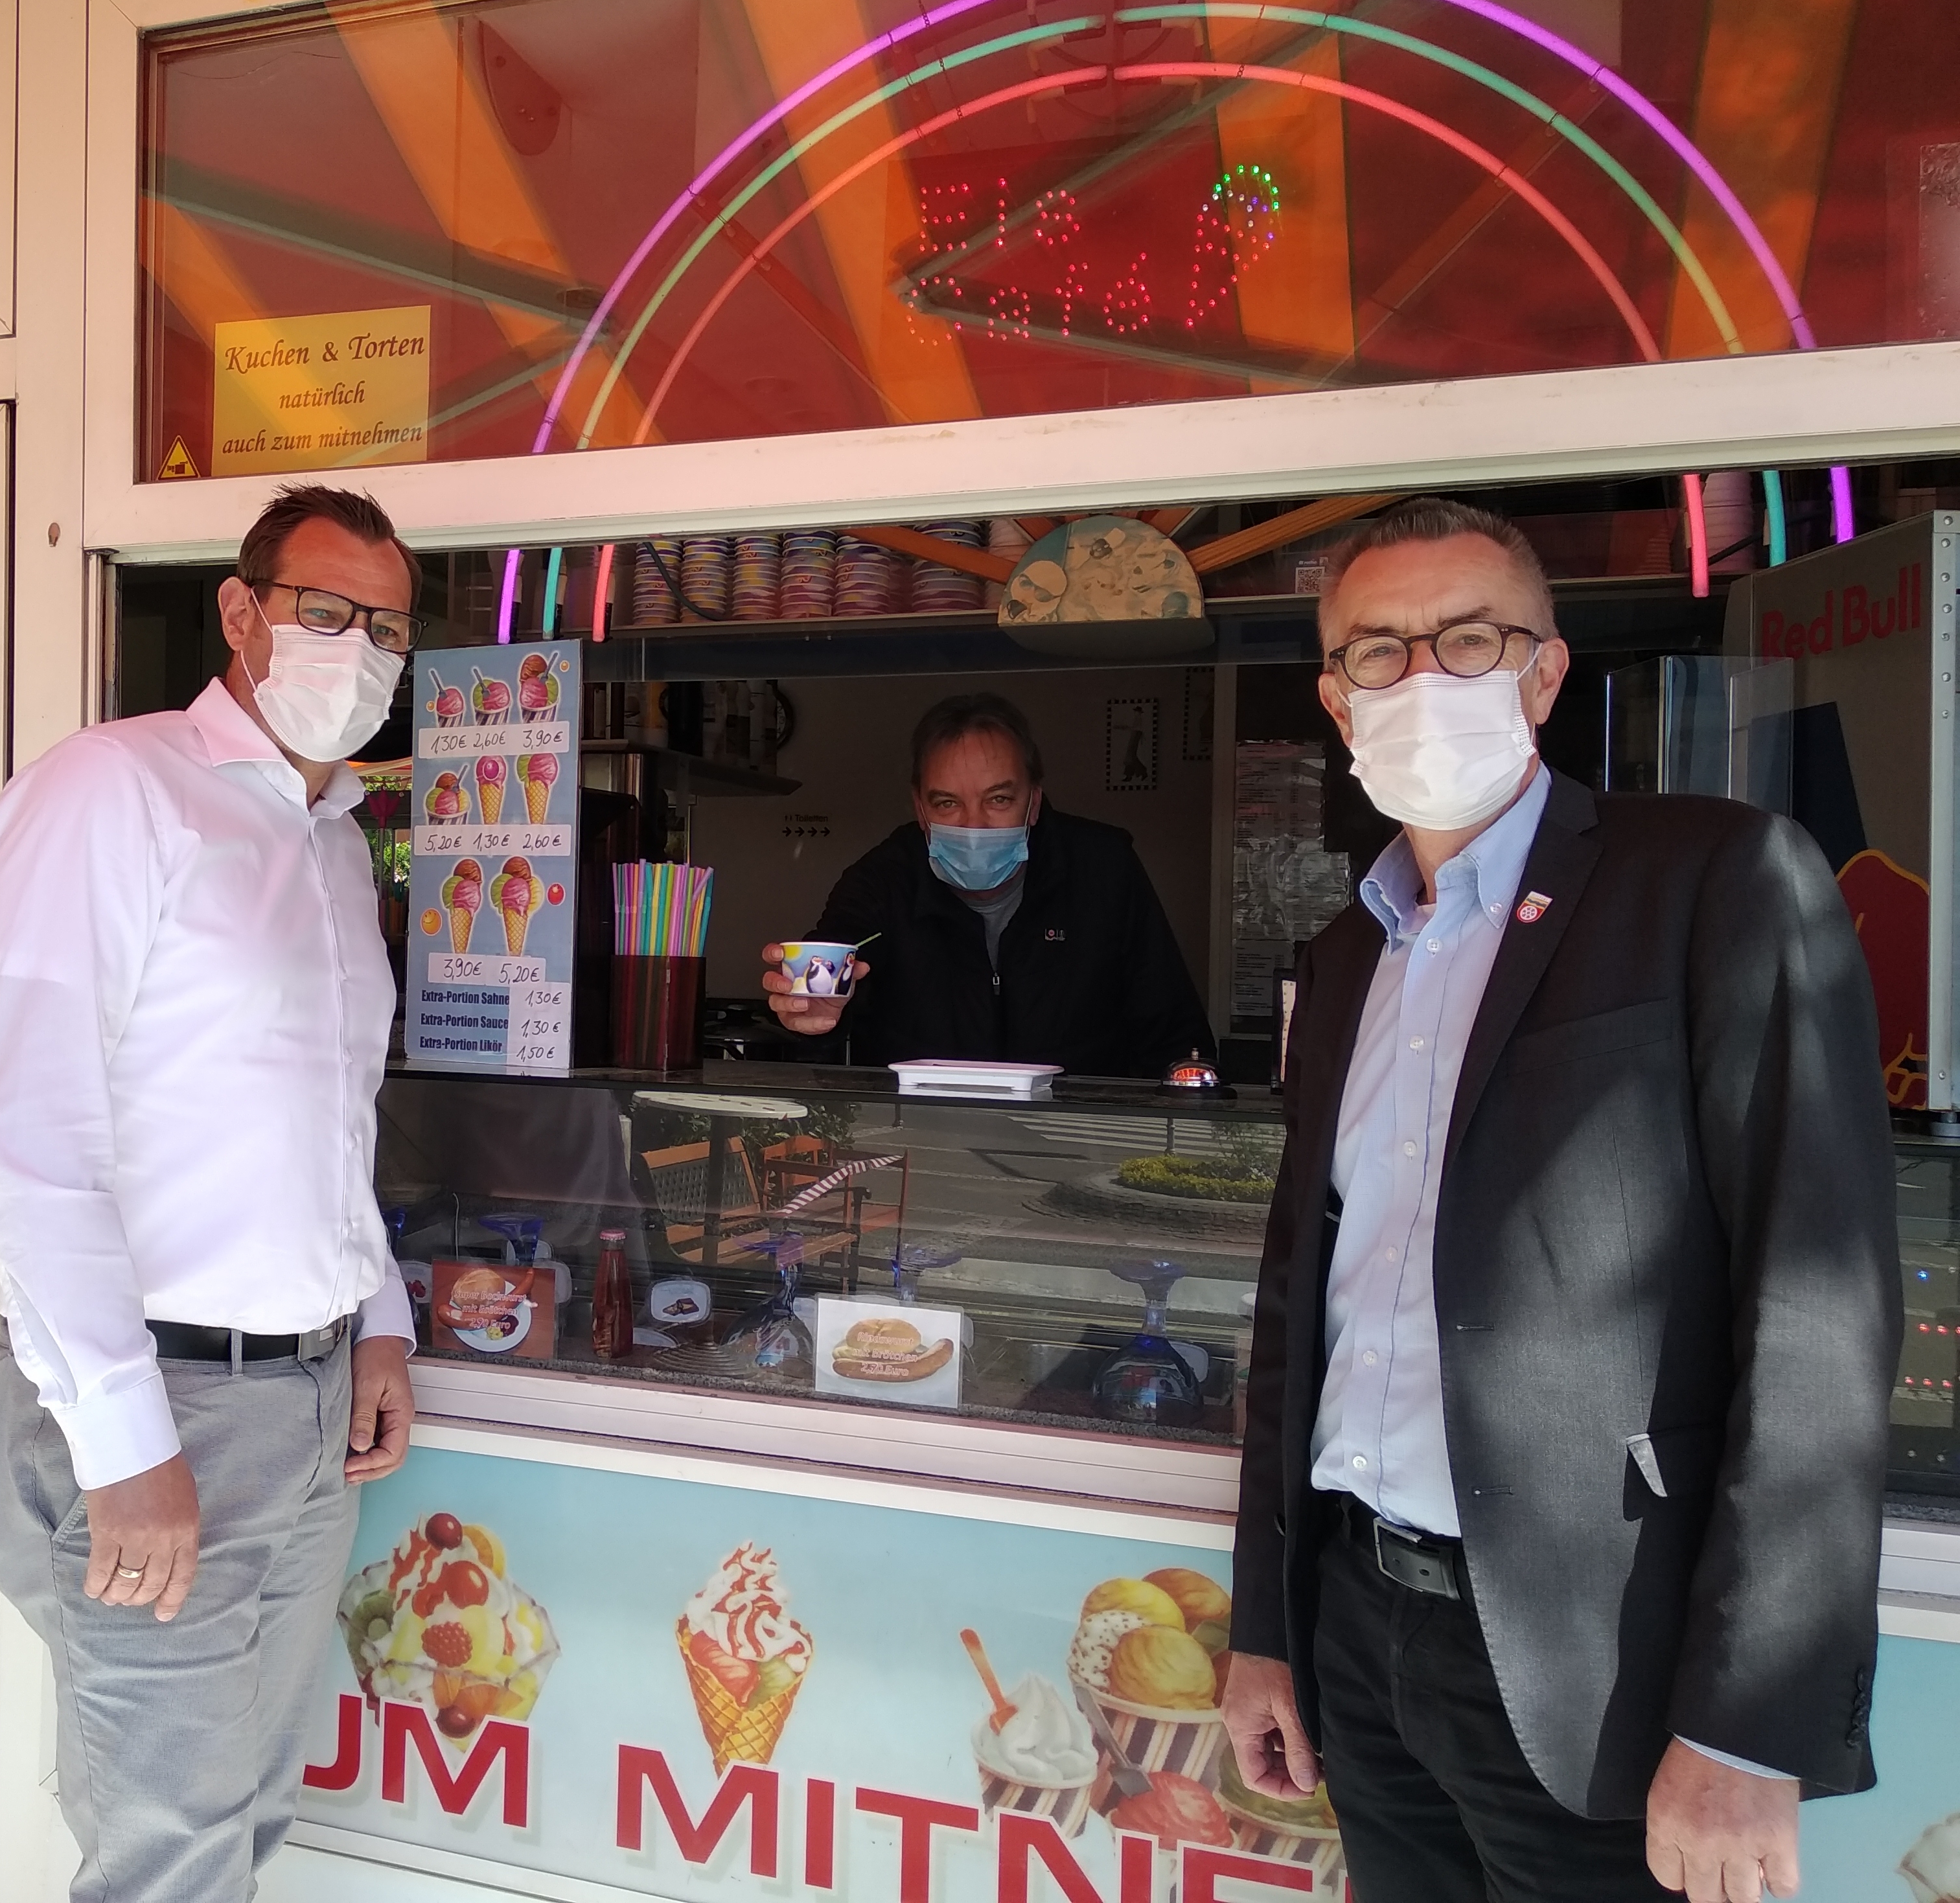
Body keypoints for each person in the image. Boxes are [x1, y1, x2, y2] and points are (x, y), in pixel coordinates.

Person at [1220, 498, 1897, 1903]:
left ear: (1541, 673)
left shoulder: (1712, 878)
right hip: (1358, 1629)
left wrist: (1744, 1718)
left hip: (1600, 1663)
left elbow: (1818, 1310)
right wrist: (1269, 1627)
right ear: (1333, 699)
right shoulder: (1348, 954)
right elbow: (1304, 1303)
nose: (1421, 681)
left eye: (1466, 640)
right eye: (1378, 654)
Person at [0, 483, 422, 1902]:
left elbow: (320, 1127)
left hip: (304, 1412)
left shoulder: (337, 839)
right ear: (240, 611)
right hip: (162, 1412)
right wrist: (121, 1441)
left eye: (387, 629)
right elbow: (29, 1135)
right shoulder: (112, 788)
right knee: (165, 1856)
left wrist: (381, 1315)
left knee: (243, 1824)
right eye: (326, 611)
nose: (357, 648)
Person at [758, 691, 1210, 1076]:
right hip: (926, 1150)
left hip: (1085, 1144)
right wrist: (813, 1018)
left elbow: (1175, 1034)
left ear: (1033, 803)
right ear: (920, 809)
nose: (974, 825)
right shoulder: (883, 879)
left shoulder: (1104, 869)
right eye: (948, 803)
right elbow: (830, 959)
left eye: (998, 799)